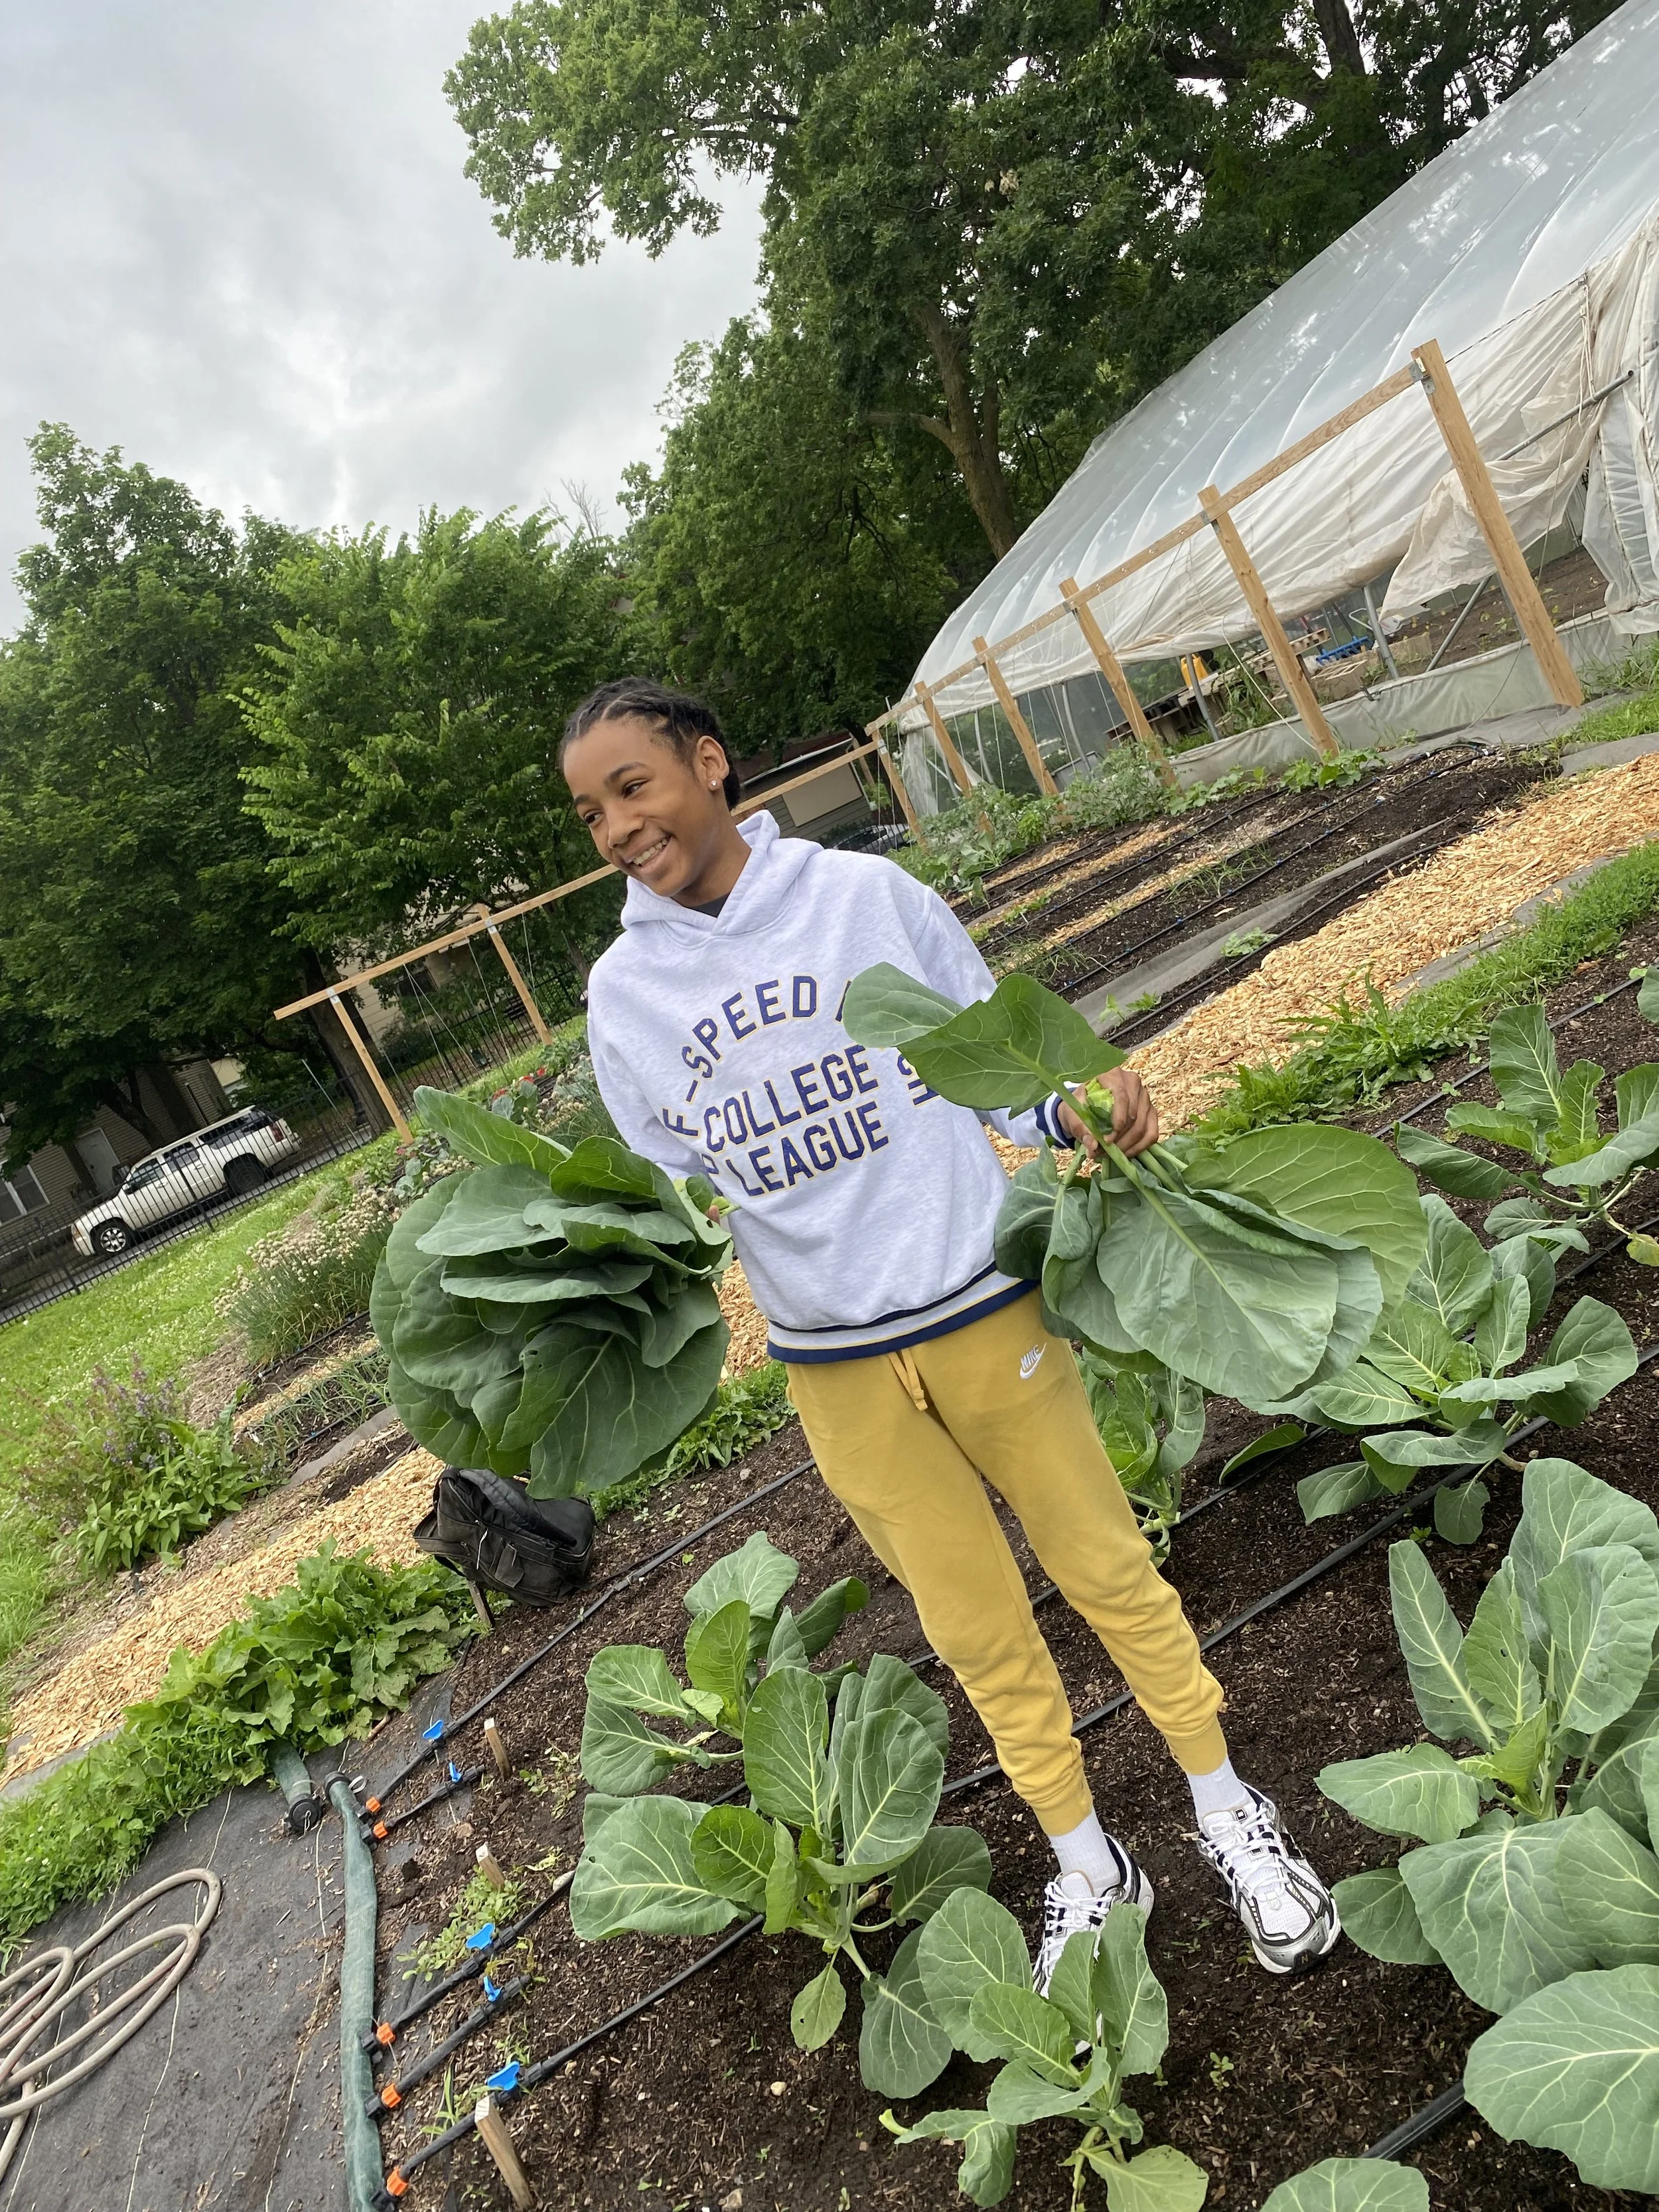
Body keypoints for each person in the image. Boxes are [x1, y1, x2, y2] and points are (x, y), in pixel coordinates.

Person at [562, 677, 1339, 1984]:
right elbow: (667, 1201)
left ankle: (1225, 1808)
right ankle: (1090, 1861)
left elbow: (1000, 1069)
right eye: (589, 811)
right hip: (834, 1371)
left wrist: (1080, 1105)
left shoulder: (865, 902)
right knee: (973, 1628)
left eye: (631, 787)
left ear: (708, 762)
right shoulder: (621, 996)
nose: (614, 827)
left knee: (1104, 1567)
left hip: (981, 1306)